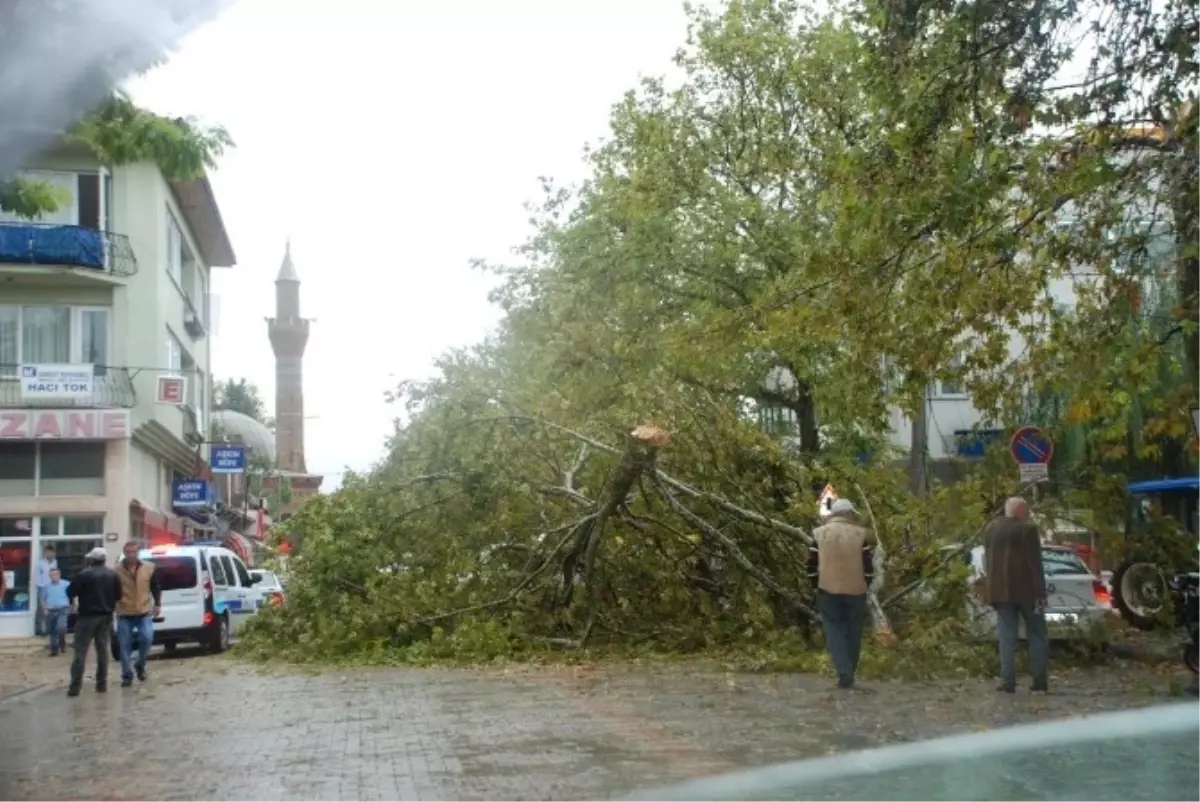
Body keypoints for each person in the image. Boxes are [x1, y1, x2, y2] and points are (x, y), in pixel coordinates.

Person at [982, 496, 1049, 693]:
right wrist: (1040, 592)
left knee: (1006, 637)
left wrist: (990, 589)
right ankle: (1039, 681)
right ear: (1019, 512)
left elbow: (988, 562)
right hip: (1027, 592)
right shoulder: (1027, 530)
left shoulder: (991, 530)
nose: (1028, 514)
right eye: (1026, 511)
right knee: (1036, 634)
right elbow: (1034, 563)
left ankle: (1007, 680)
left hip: (1000, 592)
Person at [812, 498, 876, 689]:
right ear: (850, 514)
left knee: (834, 631)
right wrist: (866, 584)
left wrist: (816, 586)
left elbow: (811, 565)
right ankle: (850, 670)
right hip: (856, 591)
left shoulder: (819, 534)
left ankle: (844, 672)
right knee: (854, 631)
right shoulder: (860, 535)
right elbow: (868, 568)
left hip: (827, 590)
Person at [66, 547, 121, 697]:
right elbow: (119, 595)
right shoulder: (112, 575)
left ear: (90, 560)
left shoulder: (84, 574)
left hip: (87, 617)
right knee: (103, 651)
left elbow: (70, 592)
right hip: (106, 617)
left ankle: (75, 687)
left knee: (80, 651)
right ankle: (101, 684)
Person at [114, 541, 161, 687]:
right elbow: (112, 589)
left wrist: (158, 603)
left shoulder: (149, 567)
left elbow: (155, 586)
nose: (130, 555)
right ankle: (126, 675)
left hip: (144, 610)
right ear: (124, 552)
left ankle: (140, 664)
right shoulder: (116, 570)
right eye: (128, 552)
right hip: (124, 612)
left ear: (138, 553)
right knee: (124, 645)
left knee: (147, 638)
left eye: (133, 552)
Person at [42, 568, 71, 656]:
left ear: (59, 575)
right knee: (52, 631)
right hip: (51, 610)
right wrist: (45, 609)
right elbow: (43, 599)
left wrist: (74, 604)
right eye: (51, 575)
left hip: (63, 609)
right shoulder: (46, 587)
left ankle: (62, 642)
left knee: (61, 627)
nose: (53, 577)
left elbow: (73, 594)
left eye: (55, 575)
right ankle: (54, 650)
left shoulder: (66, 584)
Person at [34, 544, 57, 636]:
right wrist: (41, 586)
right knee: (41, 609)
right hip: (43, 587)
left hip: (53, 587)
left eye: (52, 552)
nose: (50, 554)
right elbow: (37, 577)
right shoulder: (40, 563)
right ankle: (39, 629)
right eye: (48, 552)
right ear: (45, 553)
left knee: (52, 608)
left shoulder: (55, 562)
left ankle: (50, 628)